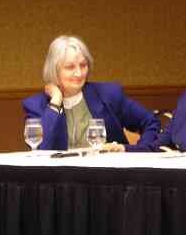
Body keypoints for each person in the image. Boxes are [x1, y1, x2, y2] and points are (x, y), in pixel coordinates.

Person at [23, 35, 160, 152]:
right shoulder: (36, 105)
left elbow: (150, 122)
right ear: (54, 70)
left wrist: (134, 151)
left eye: (83, 65)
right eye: (70, 67)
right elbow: (41, 150)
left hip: (108, 177)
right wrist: (56, 100)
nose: (79, 73)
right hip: (59, 179)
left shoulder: (108, 94)